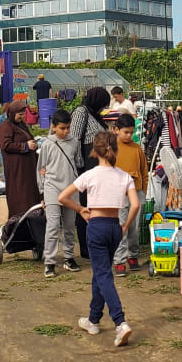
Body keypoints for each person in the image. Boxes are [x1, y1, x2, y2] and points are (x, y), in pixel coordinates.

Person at [59, 132, 138, 348]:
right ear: (116, 150)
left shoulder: (90, 175)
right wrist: (124, 226)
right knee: (100, 272)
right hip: (114, 227)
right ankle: (93, 319)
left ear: (95, 151)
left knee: (103, 274)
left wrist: (80, 209)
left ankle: (120, 321)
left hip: (95, 226)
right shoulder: (124, 177)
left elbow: (62, 197)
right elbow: (136, 205)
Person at [68, 87, 112, 258]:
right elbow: (75, 139)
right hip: (86, 165)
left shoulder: (94, 115)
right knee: (86, 206)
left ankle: (96, 244)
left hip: (98, 165)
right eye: (102, 104)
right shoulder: (81, 112)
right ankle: (86, 247)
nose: (103, 108)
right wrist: (80, 165)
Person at [36, 109, 80, 278]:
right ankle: (50, 261)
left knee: (69, 226)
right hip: (52, 188)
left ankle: (69, 258)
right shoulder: (47, 143)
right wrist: (42, 192)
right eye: (62, 128)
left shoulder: (74, 142)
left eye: (68, 127)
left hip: (70, 189)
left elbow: (78, 163)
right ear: (53, 127)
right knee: (53, 226)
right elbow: (41, 168)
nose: (66, 131)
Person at [111, 114, 147, 276]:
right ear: (116, 130)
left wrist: (143, 192)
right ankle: (119, 260)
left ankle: (133, 256)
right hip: (118, 195)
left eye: (131, 132)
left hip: (136, 193)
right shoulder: (111, 149)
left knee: (134, 228)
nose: (129, 135)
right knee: (121, 227)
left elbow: (144, 172)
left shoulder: (137, 148)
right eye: (125, 132)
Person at [0, 99, 41, 223]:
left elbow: (28, 137)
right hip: (16, 168)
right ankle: (19, 221)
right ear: (12, 113)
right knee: (19, 193)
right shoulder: (5, 126)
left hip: (27, 166)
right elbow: (6, 145)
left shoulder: (21, 125)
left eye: (23, 114)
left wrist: (34, 144)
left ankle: (31, 220)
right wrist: (25, 146)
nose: (21, 117)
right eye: (19, 114)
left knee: (29, 193)